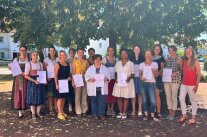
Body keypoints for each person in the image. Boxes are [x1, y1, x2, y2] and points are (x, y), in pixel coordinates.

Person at [178, 47, 201, 125]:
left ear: (192, 52)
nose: (188, 52)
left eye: (189, 51)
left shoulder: (196, 62)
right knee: (181, 98)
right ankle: (184, 115)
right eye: (186, 51)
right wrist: (179, 63)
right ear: (185, 53)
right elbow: (181, 71)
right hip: (184, 84)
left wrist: (197, 85)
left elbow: (199, 75)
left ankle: (193, 117)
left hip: (192, 85)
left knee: (192, 100)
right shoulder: (184, 61)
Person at [85, 54, 110, 120]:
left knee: (102, 101)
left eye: (99, 59)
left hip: (102, 87)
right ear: (94, 60)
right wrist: (89, 79)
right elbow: (86, 77)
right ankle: (95, 114)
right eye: (96, 59)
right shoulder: (90, 68)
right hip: (93, 87)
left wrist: (106, 79)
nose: (97, 60)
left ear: (101, 60)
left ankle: (101, 114)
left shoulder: (104, 68)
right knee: (94, 101)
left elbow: (108, 76)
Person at [113, 49, 135, 119]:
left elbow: (133, 74)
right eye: (122, 53)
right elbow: (116, 72)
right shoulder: (117, 63)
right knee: (119, 97)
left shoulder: (131, 63)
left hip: (127, 82)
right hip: (119, 82)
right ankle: (120, 112)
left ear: (127, 54)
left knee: (126, 97)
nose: (124, 55)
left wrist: (129, 78)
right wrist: (116, 79)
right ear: (120, 55)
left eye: (125, 53)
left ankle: (124, 113)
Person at [24, 51, 46, 120]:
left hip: (39, 81)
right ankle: (33, 114)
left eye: (36, 54)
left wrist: (44, 80)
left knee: (39, 96)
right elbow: (26, 76)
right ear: (31, 56)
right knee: (32, 97)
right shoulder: (28, 64)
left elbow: (42, 73)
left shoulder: (40, 64)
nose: (35, 56)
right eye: (34, 55)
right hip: (32, 82)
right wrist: (34, 81)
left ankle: (38, 113)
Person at [139, 50, 159, 121]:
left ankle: (153, 115)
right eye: (146, 54)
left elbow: (156, 76)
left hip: (151, 83)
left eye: (149, 54)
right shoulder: (141, 64)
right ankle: (146, 115)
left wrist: (153, 72)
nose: (148, 55)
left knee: (153, 100)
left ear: (151, 55)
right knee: (144, 100)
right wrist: (141, 78)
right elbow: (140, 75)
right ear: (145, 55)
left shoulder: (155, 64)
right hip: (143, 83)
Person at [164, 45, 182, 120]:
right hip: (167, 80)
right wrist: (163, 73)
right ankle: (170, 112)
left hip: (175, 80)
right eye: (169, 50)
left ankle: (174, 113)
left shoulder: (179, 59)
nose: (171, 52)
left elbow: (181, 70)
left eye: (172, 50)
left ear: (175, 51)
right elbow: (164, 68)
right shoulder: (166, 59)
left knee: (174, 97)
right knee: (168, 96)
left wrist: (176, 73)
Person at [10, 45, 29, 118]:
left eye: (24, 50)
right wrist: (10, 68)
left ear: (26, 51)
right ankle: (20, 111)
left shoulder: (28, 59)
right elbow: (13, 69)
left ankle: (28, 107)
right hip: (19, 79)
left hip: (27, 78)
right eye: (21, 50)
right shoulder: (16, 59)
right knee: (19, 94)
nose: (22, 51)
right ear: (19, 51)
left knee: (27, 93)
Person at [54, 50, 71, 120]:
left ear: (65, 55)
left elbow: (68, 73)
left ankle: (62, 111)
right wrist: (56, 84)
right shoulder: (57, 64)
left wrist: (69, 77)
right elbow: (55, 75)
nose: (63, 56)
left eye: (64, 55)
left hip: (66, 83)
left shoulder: (67, 63)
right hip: (60, 83)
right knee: (60, 98)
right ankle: (59, 113)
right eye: (61, 55)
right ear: (59, 56)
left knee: (64, 98)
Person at [72, 48, 89, 117]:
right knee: (77, 95)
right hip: (77, 79)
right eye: (79, 52)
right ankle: (78, 111)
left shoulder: (86, 62)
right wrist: (73, 81)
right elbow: (73, 72)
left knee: (84, 95)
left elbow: (88, 72)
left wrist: (84, 72)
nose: (81, 54)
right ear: (77, 53)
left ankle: (84, 110)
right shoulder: (74, 62)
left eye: (82, 52)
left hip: (84, 79)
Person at [102, 47, 118, 116]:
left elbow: (118, 70)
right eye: (109, 50)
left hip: (114, 79)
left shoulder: (116, 59)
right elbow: (102, 69)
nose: (111, 52)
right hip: (107, 80)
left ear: (114, 51)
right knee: (107, 93)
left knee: (113, 93)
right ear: (107, 51)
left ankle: (112, 108)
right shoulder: (104, 59)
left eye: (112, 50)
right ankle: (108, 108)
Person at [43, 46, 59, 114]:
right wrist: (46, 77)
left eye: (53, 50)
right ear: (49, 51)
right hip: (49, 79)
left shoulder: (58, 59)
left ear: (55, 51)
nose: (52, 52)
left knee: (56, 94)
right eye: (51, 50)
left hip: (56, 79)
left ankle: (56, 108)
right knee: (50, 94)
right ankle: (51, 108)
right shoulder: (46, 59)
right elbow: (44, 70)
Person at [130, 45, 144, 117]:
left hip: (140, 78)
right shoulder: (130, 58)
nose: (136, 50)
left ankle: (139, 109)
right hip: (132, 78)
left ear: (140, 50)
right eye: (135, 49)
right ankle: (133, 109)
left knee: (140, 94)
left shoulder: (143, 58)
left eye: (138, 49)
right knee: (133, 94)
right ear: (133, 50)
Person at [152, 44, 165, 118]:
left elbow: (162, 68)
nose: (157, 50)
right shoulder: (150, 57)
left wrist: (157, 75)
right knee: (151, 95)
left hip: (158, 78)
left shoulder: (161, 58)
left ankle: (158, 111)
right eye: (155, 49)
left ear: (160, 50)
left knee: (157, 95)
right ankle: (153, 110)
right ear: (153, 50)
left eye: (158, 49)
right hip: (150, 79)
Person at [67, 48, 76, 113]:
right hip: (69, 77)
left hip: (76, 77)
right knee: (70, 92)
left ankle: (75, 106)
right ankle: (70, 105)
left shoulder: (77, 59)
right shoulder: (67, 60)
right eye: (70, 52)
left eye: (73, 52)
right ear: (69, 53)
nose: (72, 53)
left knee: (76, 92)